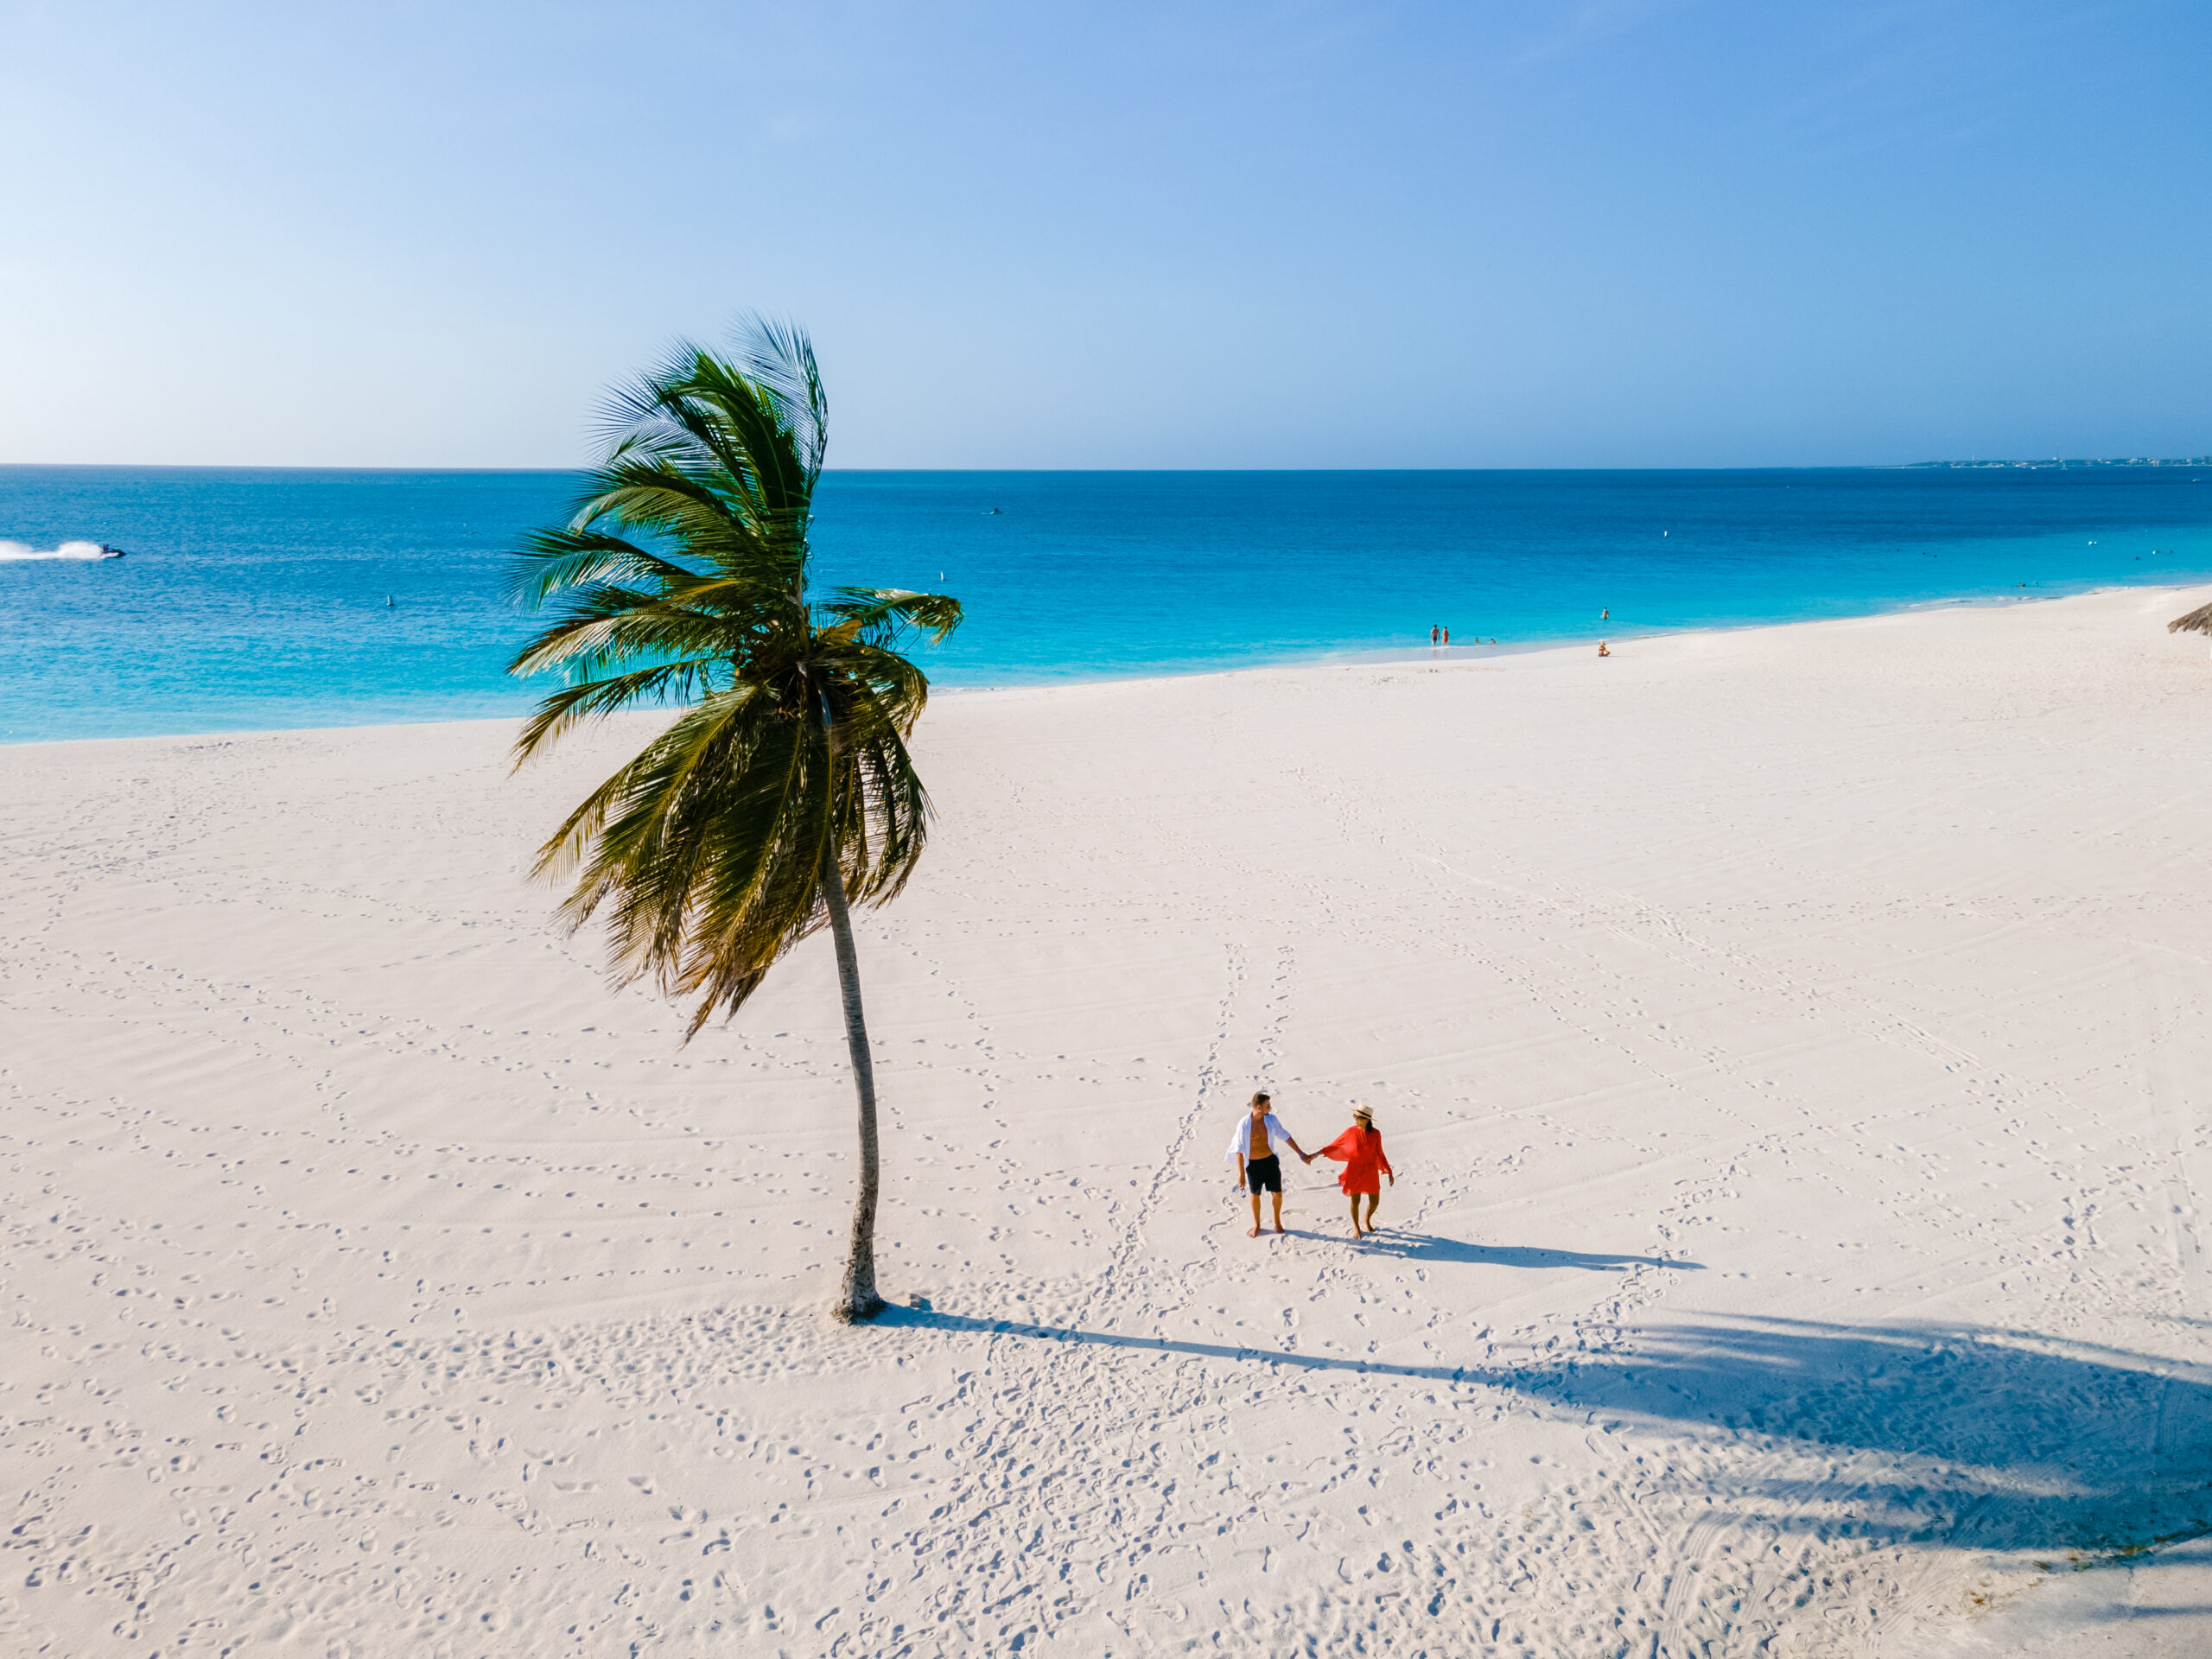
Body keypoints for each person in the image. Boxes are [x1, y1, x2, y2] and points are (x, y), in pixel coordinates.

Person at [1226, 1090, 1312, 1236]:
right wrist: (1241, 1175)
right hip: (1253, 1165)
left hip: (1270, 1161)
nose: (1270, 1108)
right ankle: (1257, 1225)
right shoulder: (1244, 1124)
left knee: (1277, 1194)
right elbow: (1238, 1150)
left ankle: (1277, 1221)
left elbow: (1285, 1135)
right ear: (1258, 1107)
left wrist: (1301, 1153)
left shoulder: (1271, 1120)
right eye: (1267, 1106)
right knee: (1255, 1194)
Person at [1314, 1104, 1395, 1237]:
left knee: (1375, 1201)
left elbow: (1379, 1153)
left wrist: (1389, 1171)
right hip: (1355, 1169)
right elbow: (1335, 1145)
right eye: (1354, 1116)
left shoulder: (1376, 1134)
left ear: (1366, 1119)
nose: (1355, 1119)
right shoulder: (1351, 1131)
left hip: (1370, 1169)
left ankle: (1367, 1219)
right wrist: (1315, 1154)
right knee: (1355, 1200)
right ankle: (1357, 1226)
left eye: (1358, 1117)